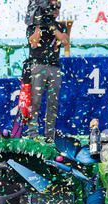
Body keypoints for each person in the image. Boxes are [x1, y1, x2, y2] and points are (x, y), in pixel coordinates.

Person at [26, 0, 68, 142]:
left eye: (58, 7)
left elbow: (64, 40)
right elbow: (33, 41)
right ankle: (33, 135)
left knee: (53, 103)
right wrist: (39, 23)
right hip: (38, 65)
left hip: (54, 67)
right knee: (35, 101)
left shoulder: (60, 25)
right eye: (52, 7)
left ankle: (49, 136)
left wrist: (50, 26)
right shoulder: (33, 26)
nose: (55, 9)